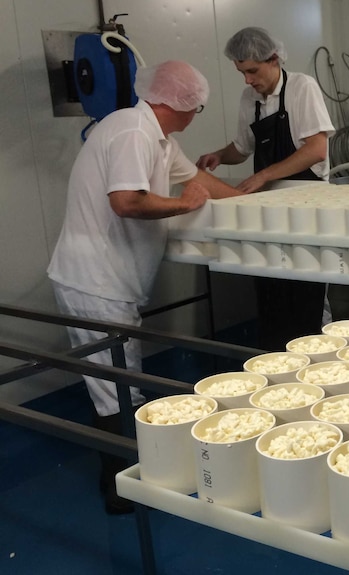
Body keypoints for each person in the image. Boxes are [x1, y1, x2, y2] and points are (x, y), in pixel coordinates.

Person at [47, 60, 246, 513]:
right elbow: (127, 201)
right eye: (196, 108)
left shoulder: (158, 137)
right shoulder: (133, 133)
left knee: (118, 378)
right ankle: (121, 491)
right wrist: (182, 206)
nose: (197, 115)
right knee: (115, 386)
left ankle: (131, 477)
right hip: (94, 281)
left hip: (114, 279)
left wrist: (254, 200)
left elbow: (198, 180)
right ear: (182, 105)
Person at [197, 27, 336, 351]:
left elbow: (316, 149)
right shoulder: (250, 98)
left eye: (252, 71)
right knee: (272, 287)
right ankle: (277, 359)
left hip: (307, 206)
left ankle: (320, 357)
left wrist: (264, 176)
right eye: (242, 72)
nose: (247, 80)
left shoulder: (302, 87)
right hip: (271, 211)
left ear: (273, 59)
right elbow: (243, 147)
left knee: (308, 290)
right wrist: (219, 154)